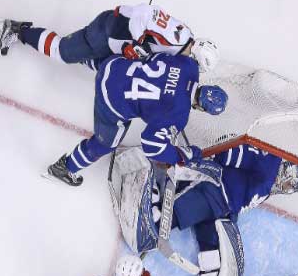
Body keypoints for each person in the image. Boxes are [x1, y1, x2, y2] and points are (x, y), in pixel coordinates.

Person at [112, 141, 298, 276]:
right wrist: (193, 161)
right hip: (210, 190)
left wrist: (229, 217)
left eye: (290, 188)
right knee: (161, 223)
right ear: (287, 170)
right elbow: (231, 152)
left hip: (220, 209)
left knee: (215, 259)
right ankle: (149, 191)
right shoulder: (269, 162)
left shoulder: (267, 186)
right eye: (289, 182)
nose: (285, 187)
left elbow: (238, 197)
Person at [44, 51, 228, 186]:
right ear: (202, 108)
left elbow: (154, 58)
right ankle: (65, 168)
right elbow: (151, 145)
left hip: (112, 66)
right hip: (111, 101)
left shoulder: (189, 65)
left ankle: (66, 50)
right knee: (105, 143)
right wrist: (180, 155)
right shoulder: (179, 115)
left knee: (83, 52)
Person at [0, 3, 220, 73]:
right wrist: (137, 43)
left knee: (106, 67)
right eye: (197, 65)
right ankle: (15, 29)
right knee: (64, 52)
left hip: (115, 38)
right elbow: (144, 11)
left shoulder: (184, 40)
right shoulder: (176, 38)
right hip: (110, 30)